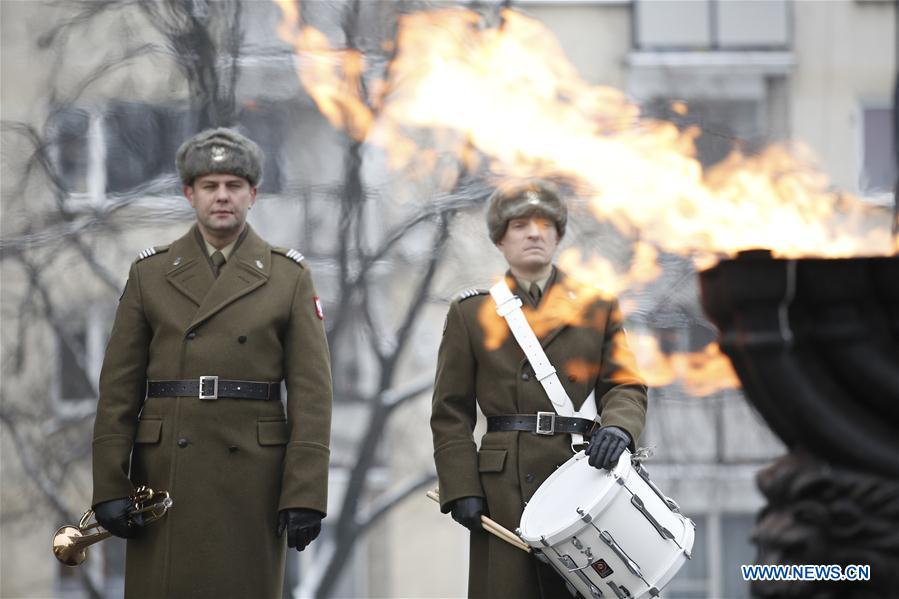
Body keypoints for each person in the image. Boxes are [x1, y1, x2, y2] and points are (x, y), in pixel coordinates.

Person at [90, 128, 332, 598]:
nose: (222, 196)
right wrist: (109, 484)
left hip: (252, 479)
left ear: (253, 195)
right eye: (210, 186)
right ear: (189, 194)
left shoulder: (289, 277)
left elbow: (312, 395)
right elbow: (118, 389)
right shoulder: (150, 275)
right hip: (164, 478)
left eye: (234, 186)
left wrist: (305, 493)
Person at [430, 181, 648, 598]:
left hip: (580, 475)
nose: (534, 233)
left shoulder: (596, 306)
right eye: (519, 225)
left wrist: (620, 429)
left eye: (545, 224)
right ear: (500, 239)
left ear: (558, 235)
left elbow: (624, 384)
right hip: (503, 490)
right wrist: (461, 487)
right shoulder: (471, 312)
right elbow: (450, 412)